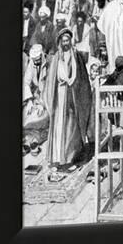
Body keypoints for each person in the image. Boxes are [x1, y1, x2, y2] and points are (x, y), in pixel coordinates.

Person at [43, 28, 92, 177]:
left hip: (73, 98)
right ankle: (58, 159)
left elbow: (82, 79)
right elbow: (51, 80)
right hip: (59, 97)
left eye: (67, 40)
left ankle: (71, 159)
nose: (66, 43)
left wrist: (75, 86)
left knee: (71, 128)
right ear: (59, 42)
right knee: (59, 128)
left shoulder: (76, 56)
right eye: (63, 41)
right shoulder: (56, 58)